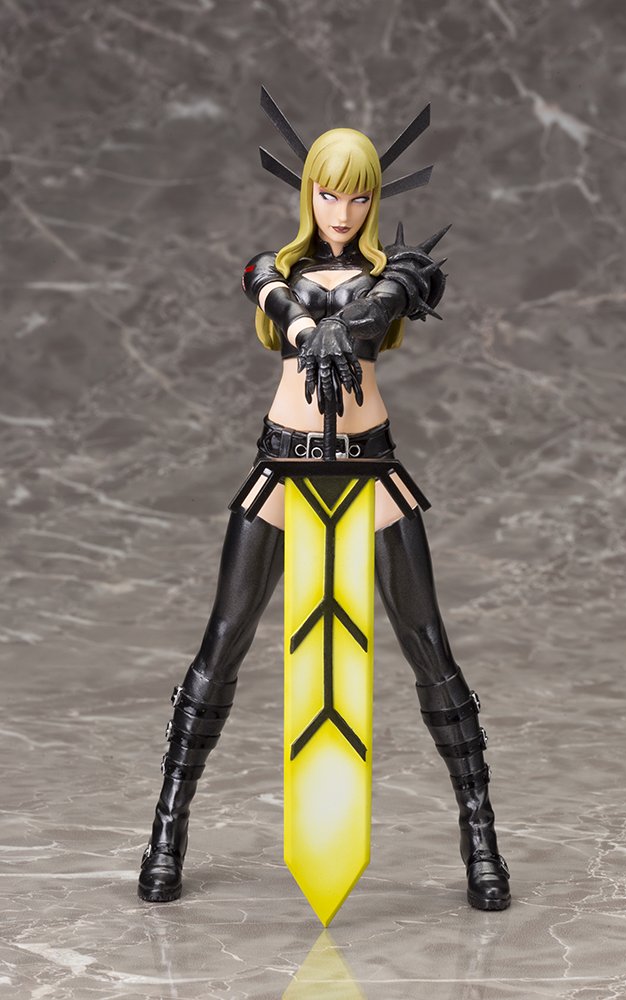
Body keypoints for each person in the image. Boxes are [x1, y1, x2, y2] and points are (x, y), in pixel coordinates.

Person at [138, 115, 511, 912]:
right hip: (282, 462)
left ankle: (480, 836)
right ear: (307, 192)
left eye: (358, 196)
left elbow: (397, 297)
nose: (341, 211)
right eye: (328, 194)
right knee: (224, 640)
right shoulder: (276, 268)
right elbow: (261, 282)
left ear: (375, 200)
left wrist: (347, 321)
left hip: (372, 466)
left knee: (427, 645)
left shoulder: (396, 271)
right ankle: (167, 827)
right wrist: (307, 322)